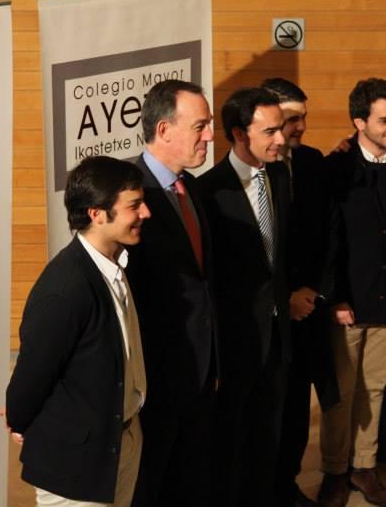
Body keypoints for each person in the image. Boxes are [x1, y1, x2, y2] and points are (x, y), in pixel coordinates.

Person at [5, 156, 150, 507]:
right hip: (74, 467)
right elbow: (32, 375)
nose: (146, 213)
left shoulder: (115, 265)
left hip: (120, 445)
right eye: (134, 205)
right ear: (97, 214)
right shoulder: (64, 289)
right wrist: (21, 420)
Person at [315, 78, 386, 507]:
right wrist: (336, 297)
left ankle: (363, 466)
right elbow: (328, 238)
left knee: (375, 388)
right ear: (359, 122)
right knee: (340, 393)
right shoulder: (335, 168)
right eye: (384, 120)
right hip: (348, 302)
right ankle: (333, 470)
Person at [198, 87, 292, 507]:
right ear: (239, 133)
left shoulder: (281, 176)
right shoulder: (208, 192)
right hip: (235, 340)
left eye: (282, 128)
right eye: (270, 131)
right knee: (231, 439)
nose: (281, 139)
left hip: (279, 332)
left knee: (269, 432)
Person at [127, 80, 217, 506]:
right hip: (155, 381)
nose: (210, 135)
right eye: (200, 126)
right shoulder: (129, 195)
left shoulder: (191, 188)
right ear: (163, 130)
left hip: (199, 373)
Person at [261, 78, 339, 507]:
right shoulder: (246, 174)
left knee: (296, 408)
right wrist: (282, 298)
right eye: (292, 119)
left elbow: (329, 231)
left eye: (303, 118)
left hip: (308, 310)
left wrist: (315, 291)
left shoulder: (312, 162)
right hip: (267, 319)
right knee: (267, 411)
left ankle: (286, 484)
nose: (301, 127)